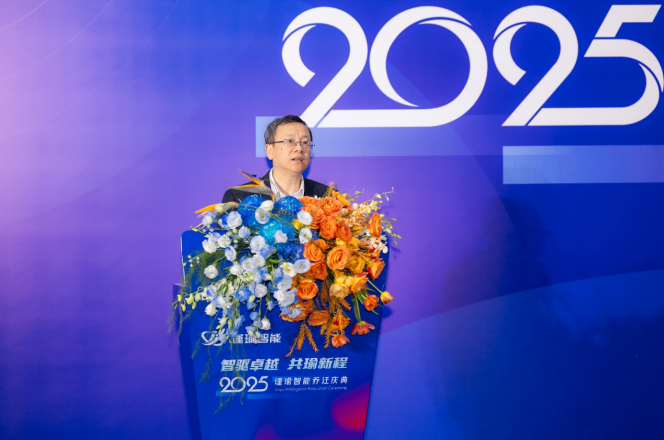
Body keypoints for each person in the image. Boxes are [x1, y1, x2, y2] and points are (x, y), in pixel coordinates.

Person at [222, 115, 328, 203]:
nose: (299, 148)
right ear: (270, 150)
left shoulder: (329, 198)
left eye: (305, 142)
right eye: (290, 141)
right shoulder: (238, 198)